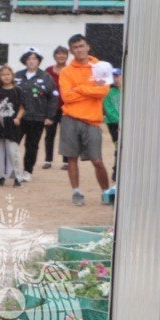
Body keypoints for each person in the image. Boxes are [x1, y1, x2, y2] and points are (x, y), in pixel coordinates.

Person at [57, 34, 111, 206]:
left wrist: (79, 89)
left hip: (93, 120)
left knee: (97, 160)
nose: (79, 49)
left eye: (81, 46)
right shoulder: (66, 71)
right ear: (71, 51)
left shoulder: (100, 67)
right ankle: (76, 192)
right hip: (70, 118)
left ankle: (106, 191)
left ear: (88, 46)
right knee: (72, 158)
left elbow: (103, 92)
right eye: (75, 47)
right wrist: (89, 90)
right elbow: (66, 97)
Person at [14, 47, 58, 181]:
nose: (31, 61)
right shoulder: (17, 76)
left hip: (37, 118)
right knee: (13, 144)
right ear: (24, 61)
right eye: (28, 58)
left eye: (34, 58)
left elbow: (53, 97)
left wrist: (50, 116)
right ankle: (12, 170)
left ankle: (27, 171)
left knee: (31, 146)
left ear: (38, 61)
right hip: (18, 118)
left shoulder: (46, 77)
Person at [0, 64, 25, 187]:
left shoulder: (17, 90)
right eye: (3, 75)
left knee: (13, 151)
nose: (6, 77)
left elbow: (22, 107)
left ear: (12, 76)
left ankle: (18, 177)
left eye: (8, 74)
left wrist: (18, 118)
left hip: (12, 124)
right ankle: (0, 176)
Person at [44, 45, 69, 169]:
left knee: (66, 135)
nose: (61, 56)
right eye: (58, 54)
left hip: (67, 108)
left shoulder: (71, 69)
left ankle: (66, 161)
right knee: (49, 134)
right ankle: (48, 160)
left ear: (67, 56)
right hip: (51, 108)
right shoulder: (48, 70)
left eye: (64, 54)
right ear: (54, 56)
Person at [105, 68, 122, 181]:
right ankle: (116, 172)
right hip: (114, 124)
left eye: (117, 76)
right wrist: (120, 121)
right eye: (113, 77)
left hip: (126, 124)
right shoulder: (108, 92)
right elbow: (108, 110)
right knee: (119, 146)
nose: (115, 79)